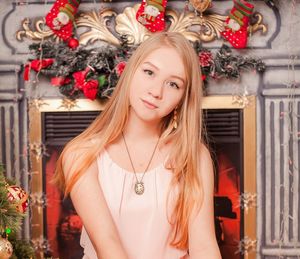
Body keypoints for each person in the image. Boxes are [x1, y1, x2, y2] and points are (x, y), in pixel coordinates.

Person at [53, 31, 221, 259]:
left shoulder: (194, 155)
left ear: (183, 97)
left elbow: (204, 248)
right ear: (131, 73)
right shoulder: (81, 154)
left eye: (173, 84)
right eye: (149, 72)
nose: (156, 91)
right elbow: (109, 248)